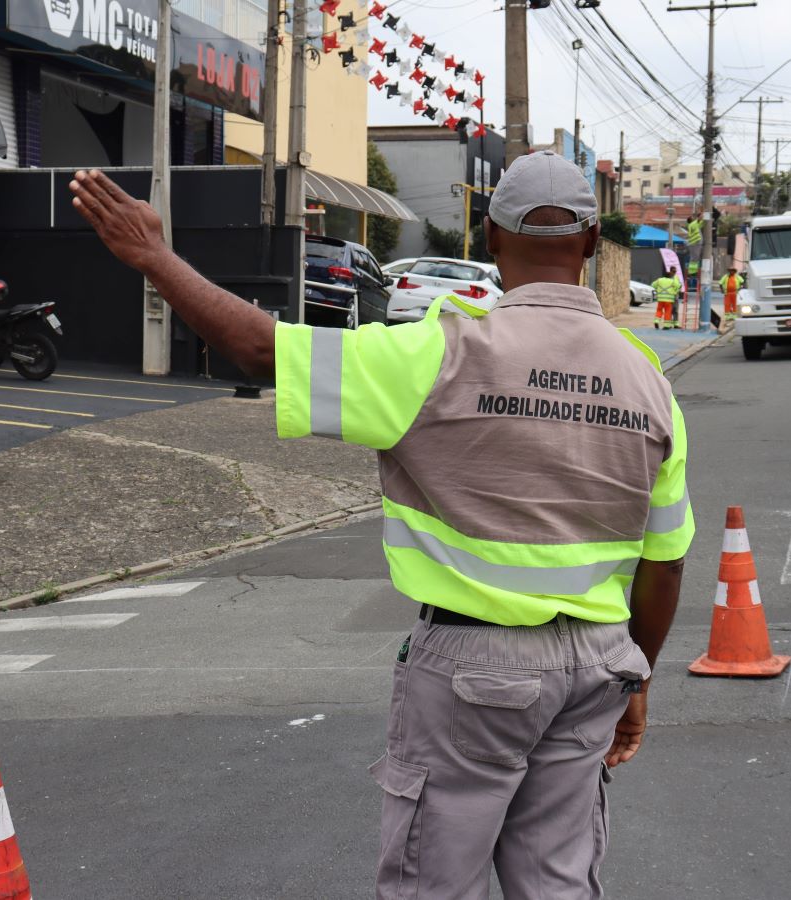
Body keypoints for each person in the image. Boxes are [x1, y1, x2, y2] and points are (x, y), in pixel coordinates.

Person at [68, 150, 692, 900]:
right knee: (559, 884)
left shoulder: (438, 353)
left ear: (489, 240)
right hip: (597, 665)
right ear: (593, 243)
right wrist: (639, 677)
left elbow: (262, 348)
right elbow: (665, 564)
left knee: (435, 886)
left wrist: (154, 257)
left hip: (473, 669)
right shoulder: (648, 382)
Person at [652, 265, 682, 329]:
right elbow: (679, 286)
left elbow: (653, 285)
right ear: (670, 272)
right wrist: (674, 292)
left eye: (675, 271)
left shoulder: (660, 280)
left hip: (661, 299)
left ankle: (656, 321)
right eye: (673, 271)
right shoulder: (672, 281)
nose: (674, 272)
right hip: (669, 299)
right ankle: (667, 326)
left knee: (659, 310)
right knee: (668, 312)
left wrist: (658, 291)